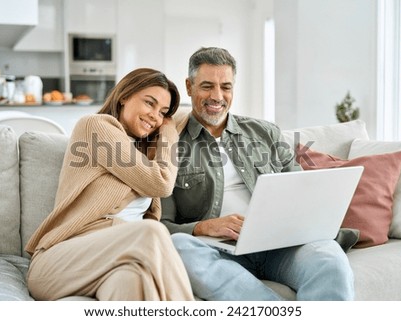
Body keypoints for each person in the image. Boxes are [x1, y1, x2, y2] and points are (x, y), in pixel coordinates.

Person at [161, 47, 355, 300]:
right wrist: (203, 227)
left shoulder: (265, 132)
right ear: (189, 86)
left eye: (226, 87)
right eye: (207, 86)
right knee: (179, 247)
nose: (217, 96)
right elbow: (160, 226)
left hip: (281, 246)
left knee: (329, 259)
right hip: (218, 250)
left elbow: (302, 189)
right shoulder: (170, 143)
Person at [25, 68, 194, 301]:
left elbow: (193, 114)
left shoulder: (144, 152)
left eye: (162, 112)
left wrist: (167, 123)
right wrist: (169, 132)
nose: (155, 116)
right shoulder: (95, 126)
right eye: (149, 103)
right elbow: (161, 184)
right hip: (59, 263)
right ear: (124, 95)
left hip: (113, 263)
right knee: (152, 232)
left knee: (133, 280)